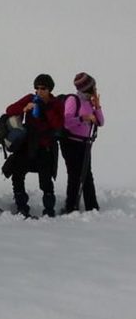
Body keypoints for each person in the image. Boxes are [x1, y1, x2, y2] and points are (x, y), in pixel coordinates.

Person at [3, 74, 63, 217]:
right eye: (37, 88)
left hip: (45, 147)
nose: (39, 91)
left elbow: (58, 124)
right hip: (27, 145)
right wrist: (25, 107)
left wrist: (46, 108)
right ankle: (21, 206)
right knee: (17, 174)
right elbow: (9, 110)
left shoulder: (56, 104)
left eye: (43, 88)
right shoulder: (30, 98)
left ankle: (49, 210)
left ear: (50, 89)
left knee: (46, 181)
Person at [60, 72, 104, 213]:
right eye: (93, 86)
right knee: (74, 175)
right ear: (88, 87)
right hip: (71, 143)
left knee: (86, 174)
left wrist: (97, 107)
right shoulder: (73, 100)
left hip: (84, 143)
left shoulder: (89, 102)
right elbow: (66, 122)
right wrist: (83, 118)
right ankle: (71, 207)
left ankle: (92, 207)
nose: (95, 89)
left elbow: (100, 122)